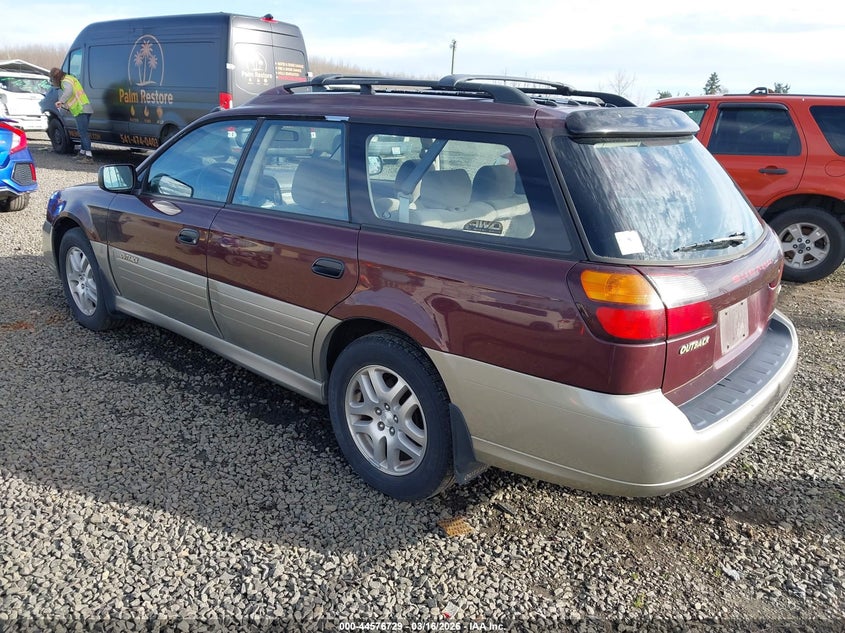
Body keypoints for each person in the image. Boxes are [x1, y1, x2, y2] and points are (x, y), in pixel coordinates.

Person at [49, 68, 94, 163]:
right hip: (85, 107)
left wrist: (61, 101)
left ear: (56, 77)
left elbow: (68, 92)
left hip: (81, 109)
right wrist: (65, 105)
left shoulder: (65, 81)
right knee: (82, 132)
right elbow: (74, 95)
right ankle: (82, 153)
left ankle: (89, 156)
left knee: (83, 133)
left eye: (53, 80)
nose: (54, 83)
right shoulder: (70, 78)